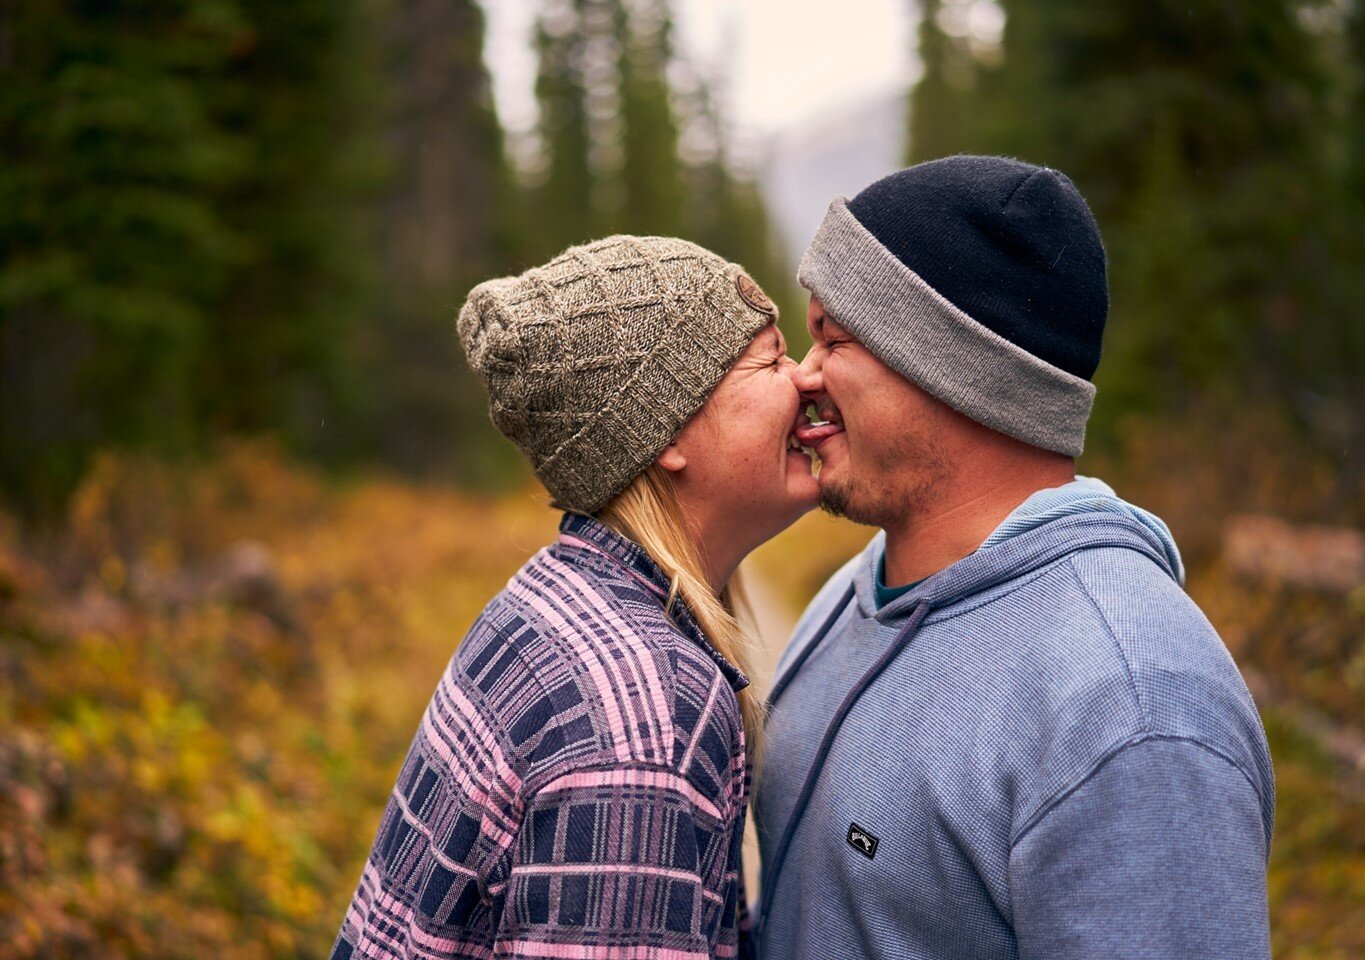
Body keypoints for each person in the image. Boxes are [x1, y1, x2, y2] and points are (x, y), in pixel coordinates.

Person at [757, 155, 1274, 959]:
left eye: (833, 338)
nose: (802, 376)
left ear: (952, 369)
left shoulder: (1133, 704)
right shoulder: (847, 600)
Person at [331, 236, 815, 959]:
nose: (807, 378)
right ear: (669, 427)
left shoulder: (561, 598)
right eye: (772, 358)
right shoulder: (648, 708)